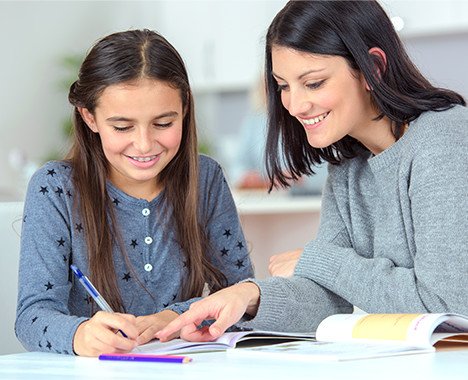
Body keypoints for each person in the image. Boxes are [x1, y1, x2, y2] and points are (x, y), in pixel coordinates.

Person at [157, 0, 468, 343]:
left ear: (373, 68)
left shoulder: (444, 140)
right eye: (283, 86)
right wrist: (248, 297)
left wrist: (319, 259)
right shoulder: (349, 168)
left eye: (314, 83)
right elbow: (327, 298)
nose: (295, 105)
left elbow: (449, 309)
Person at [15, 29, 253, 356]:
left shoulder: (205, 178)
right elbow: (32, 316)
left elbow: (243, 297)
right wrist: (80, 334)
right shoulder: (56, 188)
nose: (143, 144)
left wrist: (173, 316)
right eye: (122, 127)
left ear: (184, 109)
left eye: (163, 123)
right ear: (89, 117)